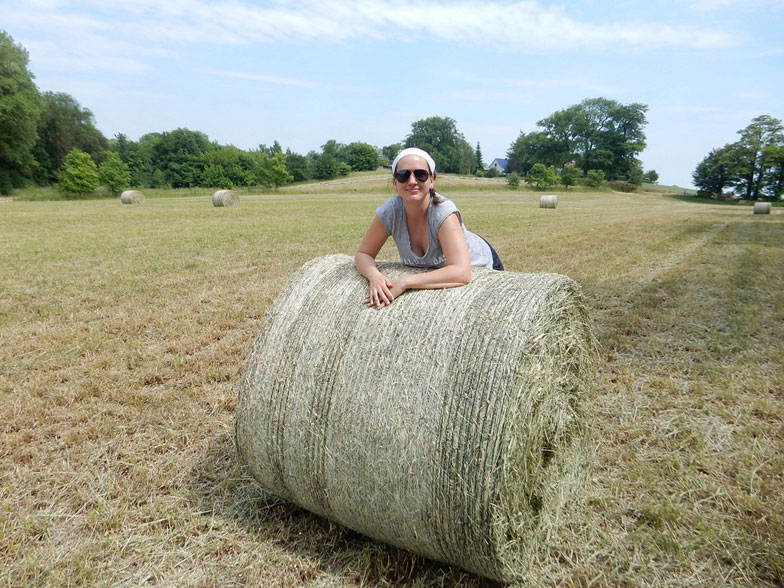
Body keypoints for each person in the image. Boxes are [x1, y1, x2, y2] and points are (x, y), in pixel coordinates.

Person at [355, 147, 503, 309]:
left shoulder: (443, 212)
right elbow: (363, 254)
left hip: (484, 263)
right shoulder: (390, 212)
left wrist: (405, 282)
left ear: (431, 180)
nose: (412, 181)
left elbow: (462, 272)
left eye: (420, 174)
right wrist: (375, 277)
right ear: (395, 182)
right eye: (403, 175)